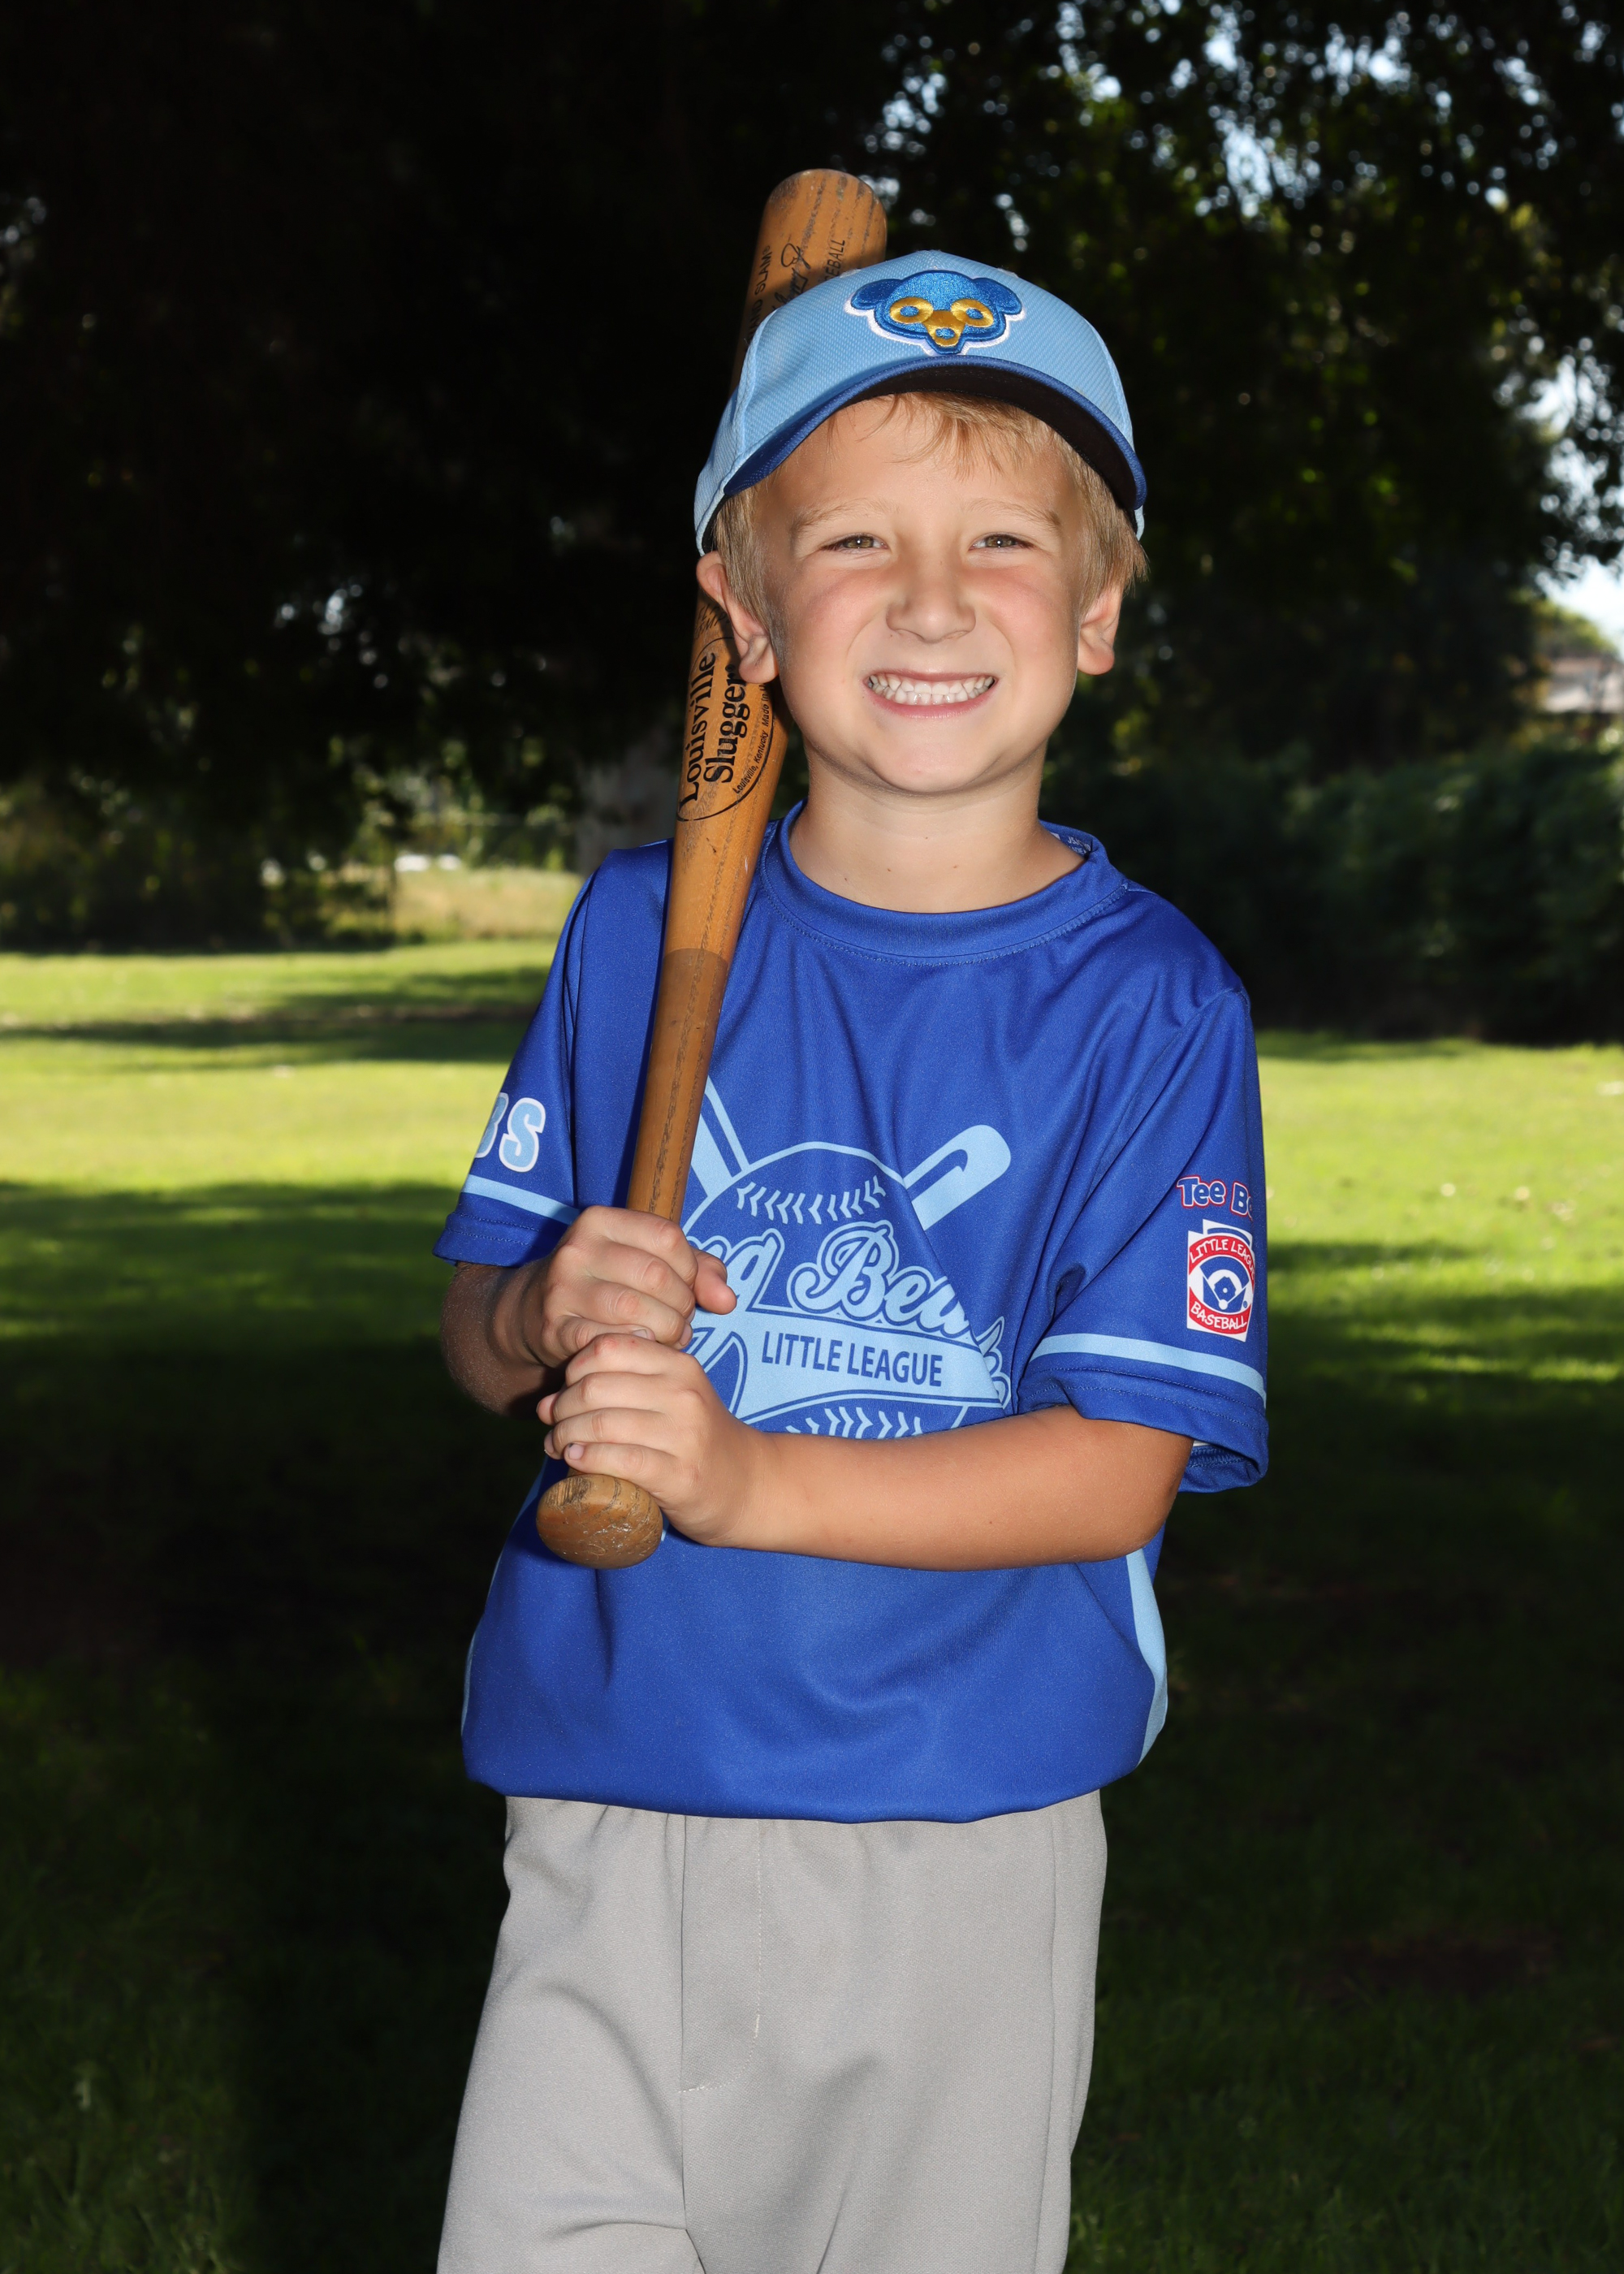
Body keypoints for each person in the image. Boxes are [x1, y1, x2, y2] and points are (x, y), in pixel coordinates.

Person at [432, 250, 1268, 2274]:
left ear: (1096, 610)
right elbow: (477, 1327)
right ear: (739, 611)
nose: (928, 598)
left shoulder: (1149, 1002)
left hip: (952, 1821)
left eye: (1002, 541)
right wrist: (539, 1311)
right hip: (604, 1782)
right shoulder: (634, 932)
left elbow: (1114, 1467)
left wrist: (747, 1474)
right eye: (852, 540)